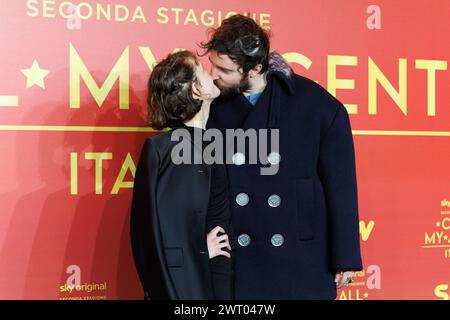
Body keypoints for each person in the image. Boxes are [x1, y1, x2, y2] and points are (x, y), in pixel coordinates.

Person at [203, 14, 363, 299]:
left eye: (223, 69)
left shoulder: (318, 106)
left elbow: (341, 187)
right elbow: (198, 184)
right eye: (212, 64)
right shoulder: (209, 108)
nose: (213, 74)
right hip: (237, 259)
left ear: (255, 69)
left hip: (299, 258)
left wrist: (346, 256)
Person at [130, 50, 234, 300]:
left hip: (214, 278)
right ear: (196, 90)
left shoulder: (208, 143)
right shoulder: (170, 148)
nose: (211, 73)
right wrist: (199, 250)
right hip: (191, 285)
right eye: (201, 69)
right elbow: (161, 233)